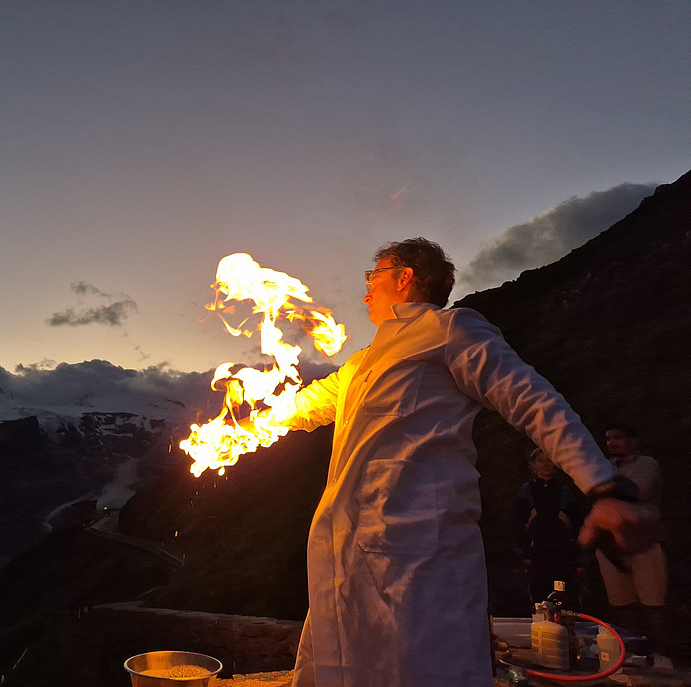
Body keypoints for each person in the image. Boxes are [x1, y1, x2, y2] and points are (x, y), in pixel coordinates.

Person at [266, 238, 653, 687]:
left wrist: (601, 484)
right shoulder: (361, 365)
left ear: (405, 277)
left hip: (417, 547)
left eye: (374, 276)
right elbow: (305, 407)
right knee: (344, 661)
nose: (366, 288)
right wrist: (244, 414)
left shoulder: (449, 329)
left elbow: (532, 401)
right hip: (346, 543)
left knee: (422, 666)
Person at [596, 422, 670, 665]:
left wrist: (605, 486)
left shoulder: (647, 464)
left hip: (643, 541)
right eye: (609, 439)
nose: (612, 443)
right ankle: (632, 654)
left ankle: (659, 654)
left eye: (618, 437)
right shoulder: (605, 466)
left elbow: (639, 491)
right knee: (622, 604)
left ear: (633, 441)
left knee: (653, 603)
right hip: (611, 545)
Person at [513, 447, 585, 610]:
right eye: (541, 461)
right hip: (537, 554)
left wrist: (579, 558)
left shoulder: (565, 491)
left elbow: (578, 525)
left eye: (549, 461)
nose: (545, 464)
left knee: (565, 598)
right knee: (540, 600)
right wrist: (524, 552)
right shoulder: (526, 491)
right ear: (533, 465)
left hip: (562, 555)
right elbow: (517, 524)